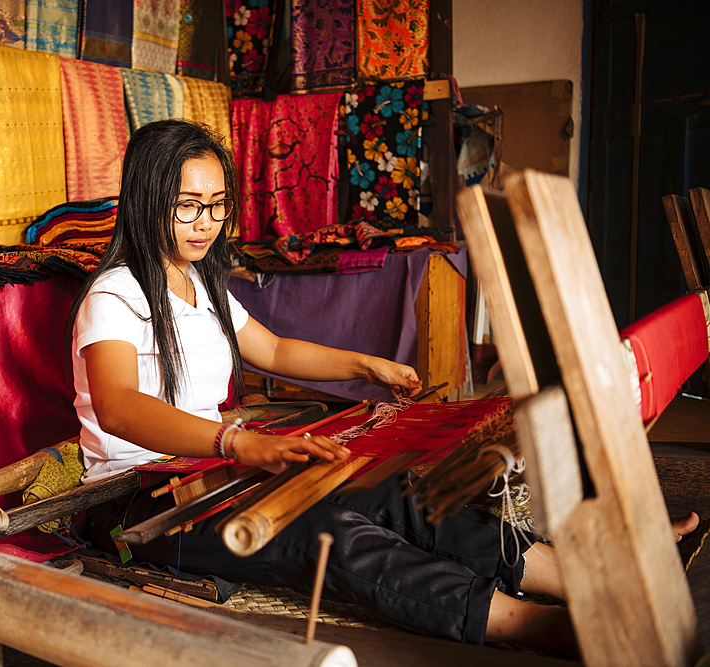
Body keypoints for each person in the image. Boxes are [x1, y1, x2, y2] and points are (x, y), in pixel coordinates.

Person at [67, 118, 696, 657]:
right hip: (146, 505)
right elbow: (120, 407)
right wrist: (237, 443)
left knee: (394, 488)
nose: (206, 222)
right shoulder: (115, 295)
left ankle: (584, 572)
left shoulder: (201, 284)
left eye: (218, 202)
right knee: (328, 533)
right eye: (187, 204)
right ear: (146, 199)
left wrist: (366, 365)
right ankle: (531, 624)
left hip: (213, 470)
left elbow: (274, 348)